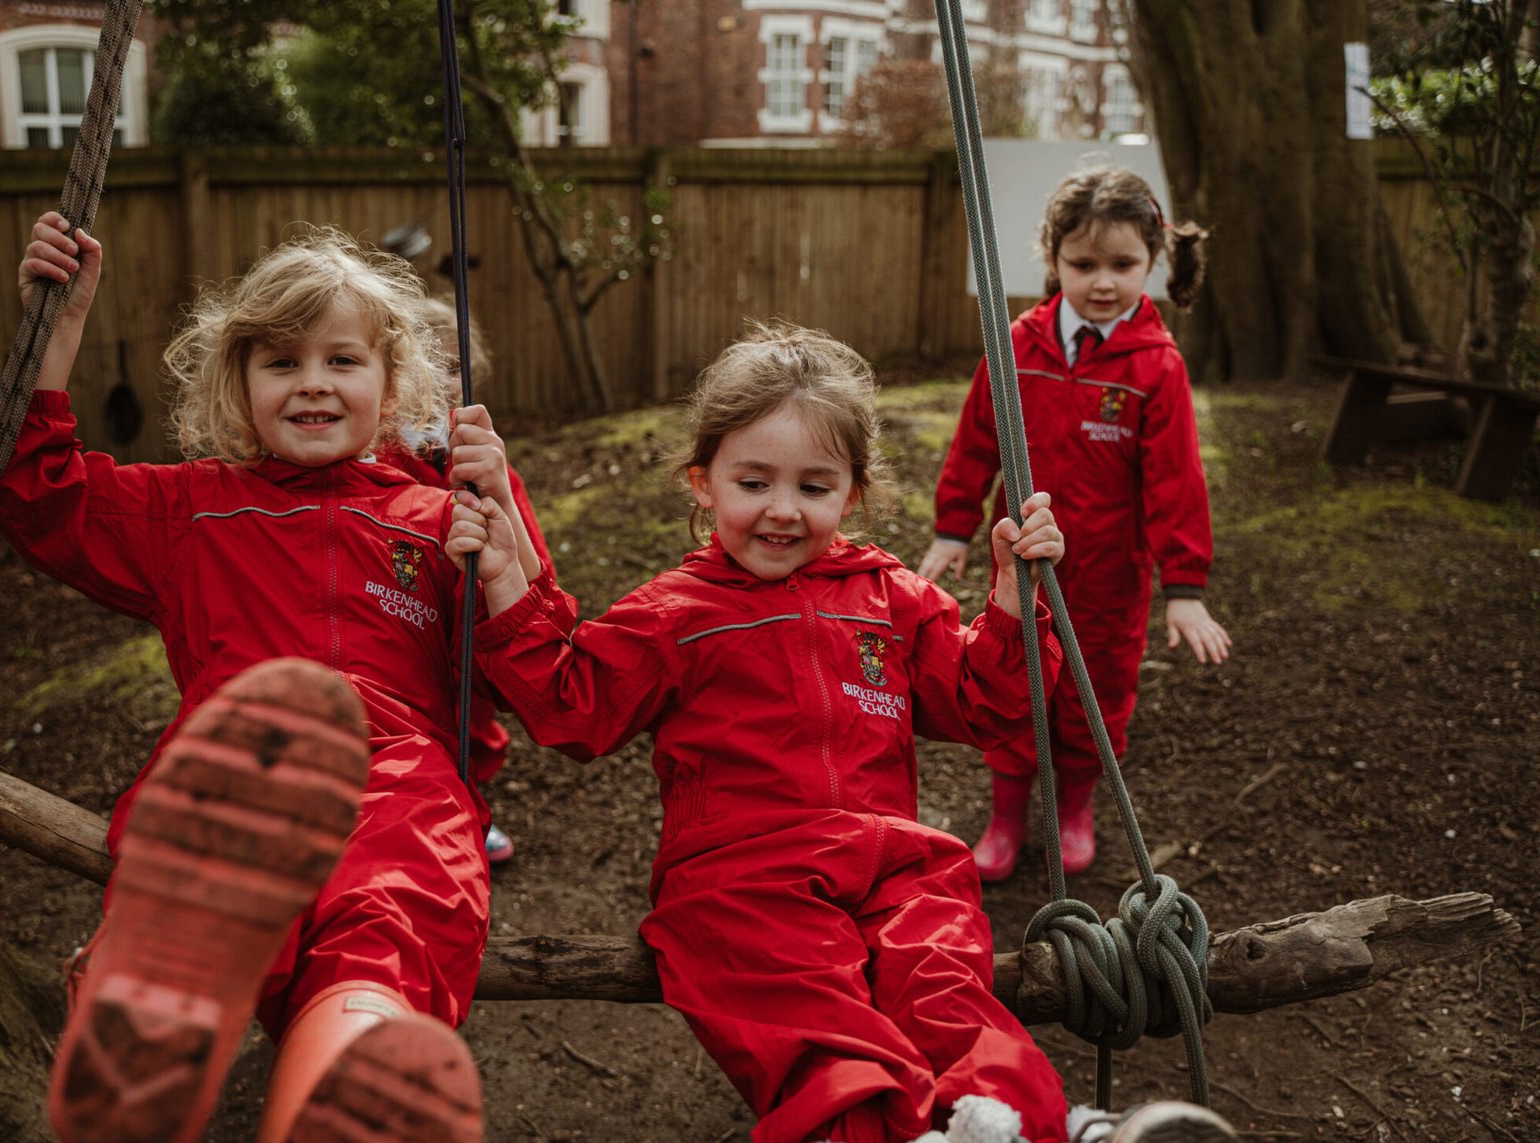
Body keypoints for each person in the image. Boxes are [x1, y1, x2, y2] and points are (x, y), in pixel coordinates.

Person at [446, 323, 1236, 1143]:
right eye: (754, 481)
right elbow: (573, 704)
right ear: (703, 483)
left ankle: (1032, 1123)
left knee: (945, 984)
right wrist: (505, 578)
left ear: (853, 492)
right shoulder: (676, 612)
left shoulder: (887, 596)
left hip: (893, 861)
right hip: (740, 877)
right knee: (812, 1017)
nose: (783, 509)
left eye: (815, 486)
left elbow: (984, 702)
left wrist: (1011, 594)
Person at [0, 213, 497, 1143]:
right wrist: (53, 332)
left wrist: (499, 526)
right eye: (281, 362)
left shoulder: (437, 517)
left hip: (398, 778)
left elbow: (518, 655)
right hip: (241, 769)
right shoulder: (190, 508)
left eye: (342, 360)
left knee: (393, 909)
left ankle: (350, 1069)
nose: (313, 382)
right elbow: (37, 489)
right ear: (240, 383)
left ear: (391, 387)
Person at [918, 166, 1232, 884]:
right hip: (1021, 564)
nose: (1103, 282)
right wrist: (953, 527)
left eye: (1122, 264)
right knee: (1014, 677)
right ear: (1053, 257)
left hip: (1110, 576)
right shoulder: (1015, 347)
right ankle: (1006, 814)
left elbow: (1178, 481)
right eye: (1083, 264)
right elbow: (975, 443)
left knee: (1096, 693)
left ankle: (1075, 808)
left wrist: (1184, 587)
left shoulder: (1155, 366)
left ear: (1153, 261)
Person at [378, 294, 555, 866]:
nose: (439, 383)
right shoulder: (378, 461)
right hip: (403, 623)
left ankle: (468, 806)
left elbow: (531, 559)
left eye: (454, 368)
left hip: (469, 630)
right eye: (420, 367)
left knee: (470, 726)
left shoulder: (484, 468)